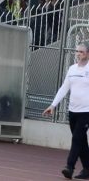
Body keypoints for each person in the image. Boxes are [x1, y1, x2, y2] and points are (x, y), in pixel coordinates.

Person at [44, 41, 89, 180]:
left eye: (81, 52)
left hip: (86, 111)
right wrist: (53, 105)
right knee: (81, 141)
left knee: (76, 139)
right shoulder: (72, 69)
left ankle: (69, 167)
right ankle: (88, 169)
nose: (78, 54)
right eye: (77, 51)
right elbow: (64, 88)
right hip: (72, 111)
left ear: (88, 53)